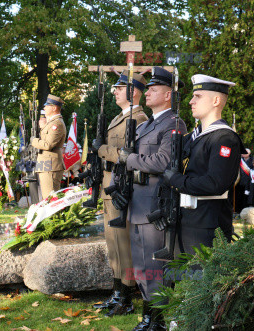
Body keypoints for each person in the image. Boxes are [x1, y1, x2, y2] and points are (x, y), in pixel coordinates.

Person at [115, 67, 187, 330]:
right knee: (142, 267)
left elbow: (164, 161)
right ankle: (149, 316)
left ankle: (156, 320)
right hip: (136, 204)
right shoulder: (146, 125)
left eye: (154, 89)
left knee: (155, 266)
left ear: (168, 95)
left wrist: (130, 159)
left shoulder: (175, 124)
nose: (148, 93)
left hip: (155, 206)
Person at [163, 74, 244, 251]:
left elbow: (214, 183)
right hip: (184, 219)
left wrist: (176, 180)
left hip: (207, 227)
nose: (191, 101)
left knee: (199, 277)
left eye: (197, 96)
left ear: (216, 100)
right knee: (182, 277)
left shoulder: (224, 138)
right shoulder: (192, 138)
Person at [93, 70, 149, 317]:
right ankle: (117, 294)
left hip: (121, 189)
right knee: (113, 244)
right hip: (110, 186)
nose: (115, 91)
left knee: (123, 244)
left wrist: (102, 149)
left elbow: (130, 155)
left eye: (119, 87)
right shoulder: (121, 116)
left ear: (133, 91)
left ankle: (126, 297)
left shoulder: (139, 118)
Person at [30, 94, 67, 199]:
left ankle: (54, 216)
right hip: (47, 164)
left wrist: (33, 140)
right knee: (47, 198)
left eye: (47, 105)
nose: (44, 108)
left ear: (54, 108)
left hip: (50, 165)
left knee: (50, 199)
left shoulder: (57, 124)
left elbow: (47, 144)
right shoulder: (52, 123)